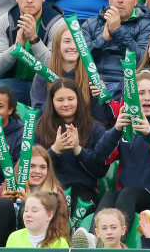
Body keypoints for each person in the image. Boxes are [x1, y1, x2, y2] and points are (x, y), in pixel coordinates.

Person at [95, 70, 150, 231]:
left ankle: (119, 240)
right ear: (133, 98)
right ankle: (92, 239)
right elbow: (100, 156)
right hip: (126, 193)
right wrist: (116, 130)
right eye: (141, 93)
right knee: (109, 196)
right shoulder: (125, 124)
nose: (146, 97)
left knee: (128, 193)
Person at [35, 78, 108, 213]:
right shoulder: (40, 127)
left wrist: (78, 150)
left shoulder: (96, 129)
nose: (66, 104)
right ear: (52, 102)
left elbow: (100, 170)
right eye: (60, 100)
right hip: (48, 190)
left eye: (70, 99)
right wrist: (54, 150)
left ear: (79, 100)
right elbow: (31, 167)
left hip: (82, 192)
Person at [82, 0, 150, 95]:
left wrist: (117, 30)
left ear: (136, 0)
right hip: (90, 83)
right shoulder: (91, 23)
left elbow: (143, 62)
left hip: (125, 86)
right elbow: (77, 59)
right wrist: (103, 39)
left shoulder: (147, 26)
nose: (120, 0)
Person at [0, 146, 63, 246]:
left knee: (26, 204)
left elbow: (61, 227)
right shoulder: (2, 189)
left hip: (38, 244)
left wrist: (31, 202)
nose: (37, 171)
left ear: (48, 170)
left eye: (42, 167)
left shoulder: (54, 192)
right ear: (22, 168)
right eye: (31, 166)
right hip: (3, 243)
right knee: (3, 204)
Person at [30, 26, 104, 121]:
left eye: (77, 42)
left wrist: (101, 98)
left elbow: (102, 121)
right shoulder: (43, 75)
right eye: (67, 41)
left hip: (83, 132)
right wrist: (56, 101)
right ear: (57, 45)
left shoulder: (92, 77)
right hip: (52, 131)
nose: (73, 46)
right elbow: (37, 117)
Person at [5, 191, 70, 248]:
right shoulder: (14, 237)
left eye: (34, 211)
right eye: (26, 210)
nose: (28, 214)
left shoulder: (60, 243)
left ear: (49, 215)